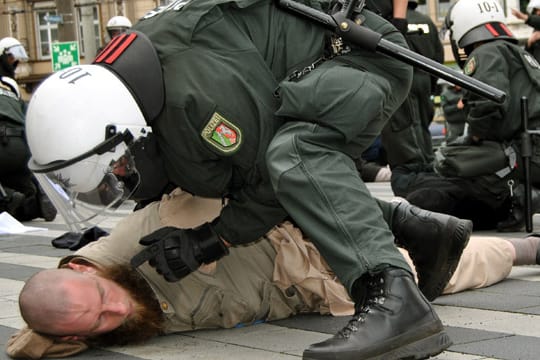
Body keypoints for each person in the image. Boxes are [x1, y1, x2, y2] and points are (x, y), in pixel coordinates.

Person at [23, 0, 463, 358]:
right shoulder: (130, 89)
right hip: (304, 74)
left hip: (362, 59)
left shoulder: (196, 97)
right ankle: (417, 228)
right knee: (221, 175)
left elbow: (269, 185)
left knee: (294, 156)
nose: (121, 175)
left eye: (117, 165)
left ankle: (392, 296)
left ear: (124, 129)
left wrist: (213, 240)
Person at [8, 189, 537, 359]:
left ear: (83, 266)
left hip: (321, 260)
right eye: (98, 321)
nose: (116, 310)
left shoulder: (132, 245)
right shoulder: (76, 317)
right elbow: (29, 345)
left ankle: (532, 246)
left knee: (473, 266)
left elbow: (210, 192)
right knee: (464, 266)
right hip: (312, 295)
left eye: (101, 295)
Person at [392, 0, 540, 232]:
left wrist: (475, 136)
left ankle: (515, 194)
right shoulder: (516, 52)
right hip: (527, 153)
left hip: (520, 155)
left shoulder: (486, 52)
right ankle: (512, 194)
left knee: (448, 160)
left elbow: (488, 104)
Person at [380, 0, 445, 197]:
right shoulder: (426, 21)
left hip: (398, 79)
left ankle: (412, 179)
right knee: (422, 129)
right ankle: (427, 171)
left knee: (401, 132)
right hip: (424, 79)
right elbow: (438, 56)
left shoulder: (385, 21)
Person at [0, 37, 56, 222]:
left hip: (2, 147)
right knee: (25, 188)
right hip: (21, 147)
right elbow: (26, 117)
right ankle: (36, 196)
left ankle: (6, 197)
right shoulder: (9, 85)